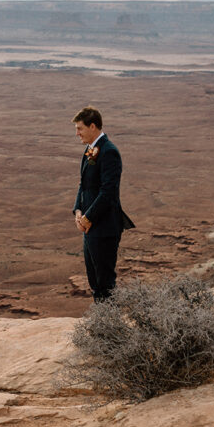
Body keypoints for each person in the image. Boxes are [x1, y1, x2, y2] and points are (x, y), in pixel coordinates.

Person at [72, 106, 134, 302]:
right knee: (94, 281)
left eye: (80, 128)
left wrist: (88, 217)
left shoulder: (109, 152)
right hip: (89, 226)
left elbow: (109, 192)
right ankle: (102, 325)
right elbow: (84, 184)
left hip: (105, 226)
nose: (77, 133)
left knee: (105, 283)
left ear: (92, 126)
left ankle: (110, 328)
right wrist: (78, 210)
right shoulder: (89, 150)